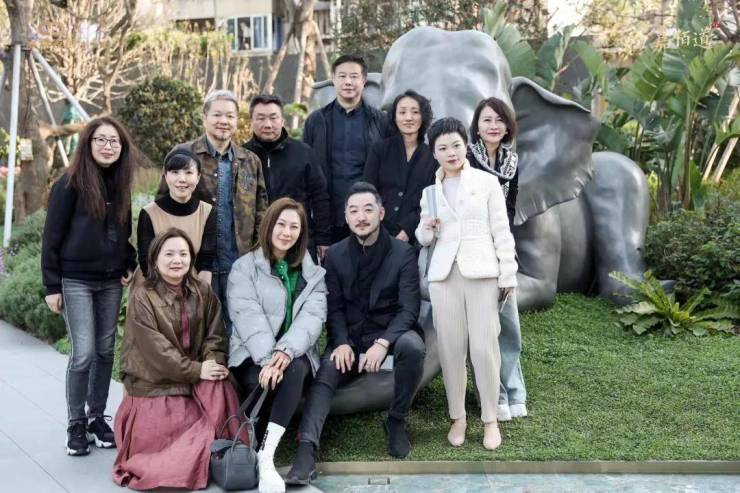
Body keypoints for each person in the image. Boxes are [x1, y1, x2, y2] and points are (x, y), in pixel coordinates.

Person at [285, 182, 426, 485]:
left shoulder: (403, 253)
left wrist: (383, 342)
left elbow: (408, 309)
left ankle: (396, 420)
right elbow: (333, 308)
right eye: (354, 211)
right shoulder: (334, 255)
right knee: (327, 370)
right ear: (346, 217)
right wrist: (340, 343)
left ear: (381, 213)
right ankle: (306, 451)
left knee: (413, 347)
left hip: (390, 334)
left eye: (368, 209)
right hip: (349, 337)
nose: (361, 217)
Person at [415, 118, 517, 450]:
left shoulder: (487, 183)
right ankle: (457, 418)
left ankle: (490, 420)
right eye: (443, 148)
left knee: (484, 348)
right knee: (450, 349)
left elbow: (501, 230)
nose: (451, 153)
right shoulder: (430, 193)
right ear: (434, 153)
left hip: (482, 273)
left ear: (466, 145)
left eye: (456, 145)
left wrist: (508, 274)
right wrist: (427, 228)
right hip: (444, 277)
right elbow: (423, 237)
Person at [113, 228, 242, 491]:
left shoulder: (202, 291)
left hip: (194, 377)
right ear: (155, 259)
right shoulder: (143, 296)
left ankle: (223, 453)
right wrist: (196, 370)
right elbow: (156, 352)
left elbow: (215, 336)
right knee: (170, 448)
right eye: (169, 254)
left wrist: (211, 364)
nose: (177, 260)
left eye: (183, 254)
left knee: (220, 383)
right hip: (156, 384)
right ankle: (197, 458)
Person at [41, 116, 137, 456]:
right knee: (83, 353)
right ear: (88, 144)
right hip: (76, 280)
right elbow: (52, 237)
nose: (108, 146)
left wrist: (128, 263)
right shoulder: (69, 184)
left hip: (110, 281)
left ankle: (97, 418)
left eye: (114, 141)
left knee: (105, 351)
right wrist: (51, 286)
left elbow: (123, 232)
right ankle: (76, 423)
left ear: (121, 148)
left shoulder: (121, 184)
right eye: (101, 140)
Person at [228, 197, 327, 493]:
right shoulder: (244, 268)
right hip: (252, 354)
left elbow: (313, 317)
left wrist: (285, 351)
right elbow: (247, 315)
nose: (287, 232)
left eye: (294, 227)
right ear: (269, 225)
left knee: (294, 369)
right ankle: (255, 444)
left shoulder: (311, 273)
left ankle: (266, 455)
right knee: (265, 379)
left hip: (294, 353)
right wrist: (269, 358)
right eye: (281, 224)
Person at [171, 89, 269, 333]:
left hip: (239, 262)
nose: (223, 121)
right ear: (204, 117)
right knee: (199, 329)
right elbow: (165, 206)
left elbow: (261, 211)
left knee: (239, 329)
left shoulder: (250, 160)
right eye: (217, 115)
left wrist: (258, 255)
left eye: (230, 116)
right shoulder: (184, 154)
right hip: (196, 264)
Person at [467, 97, 528, 421]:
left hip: (501, 250)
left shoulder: (512, 163)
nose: (493, 125)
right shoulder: (465, 158)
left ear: (507, 127)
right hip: (473, 252)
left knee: (509, 325)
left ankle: (515, 392)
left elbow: (509, 210)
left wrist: (506, 252)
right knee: (484, 329)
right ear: (477, 126)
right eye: (487, 119)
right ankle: (495, 394)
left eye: (499, 120)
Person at [303, 54, 390, 242]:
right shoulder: (315, 121)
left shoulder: (381, 121)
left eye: (354, 76)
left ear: (364, 80)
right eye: (342, 76)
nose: (348, 82)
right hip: (329, 217)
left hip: (369, 217)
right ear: (333, 79)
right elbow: (306, 172)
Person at [244, 94, 332, 260]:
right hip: (256, 242)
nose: (268, 124)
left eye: (273, 118)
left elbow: (320, 197)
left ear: (282, 120)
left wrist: (323, 239)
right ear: (251, 121)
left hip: (298, 239)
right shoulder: (243, 156)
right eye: (261, 118)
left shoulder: (304, 153)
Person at [364, 90, 436, 244]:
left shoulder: (432, 157)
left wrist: (407, 230)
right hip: (376, 232)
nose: (408, 118)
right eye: (402, 112)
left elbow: (431, 199)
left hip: (414, 237)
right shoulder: (379, 150)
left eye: (415, 112)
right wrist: (377, 227)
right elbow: (368, 191)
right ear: (394, 117)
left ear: (423, 117)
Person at [137, 149, 216, 284]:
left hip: (192, 286)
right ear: (165, 175)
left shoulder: (207, 212)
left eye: (188, 172)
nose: (182, 179)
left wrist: (202, 293)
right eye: (175, 172)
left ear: (198, 177)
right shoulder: (149, 213)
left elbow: (206, 263)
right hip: (154, 285)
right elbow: (146, 262)